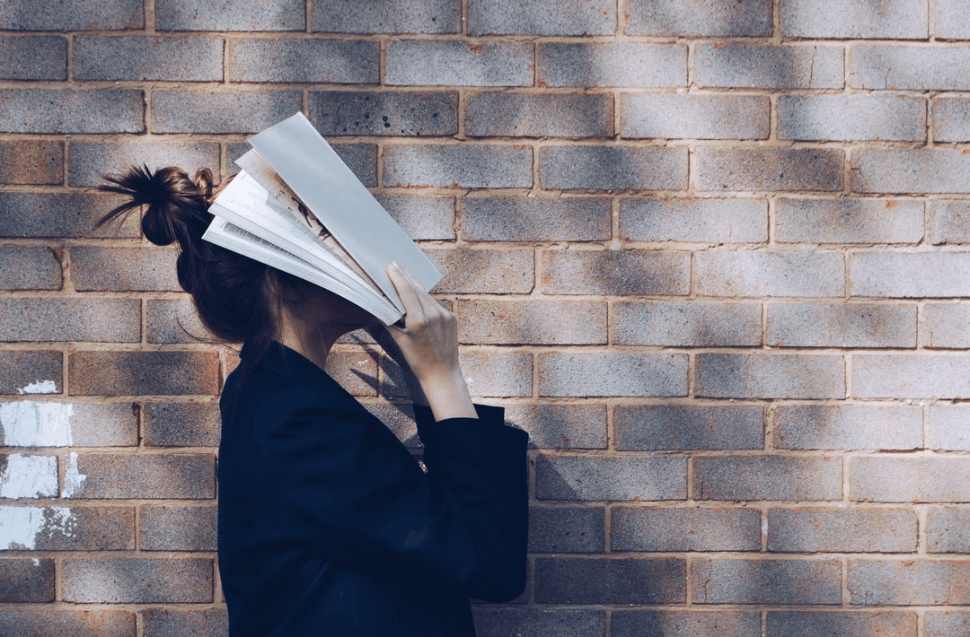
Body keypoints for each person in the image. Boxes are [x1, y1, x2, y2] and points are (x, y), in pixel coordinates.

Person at [97, 165, 529, 636]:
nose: (356, 253)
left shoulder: (279, 399)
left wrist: (418, 372)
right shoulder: (291, 420)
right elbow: (489, 561)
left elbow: (448, 540)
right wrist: (443, 375)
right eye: (327, 237)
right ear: (288, 280)